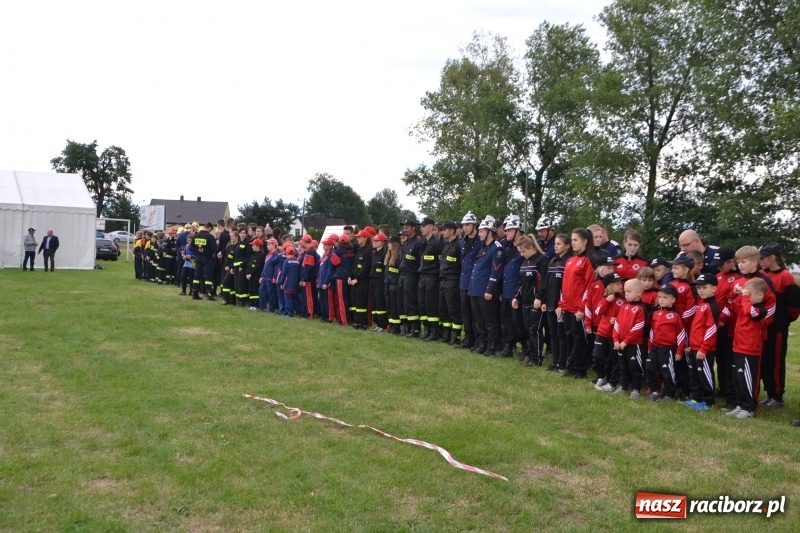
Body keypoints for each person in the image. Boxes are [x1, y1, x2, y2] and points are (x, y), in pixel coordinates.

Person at [758, 242, 800, 408]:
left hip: (778, 328)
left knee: (775, 361)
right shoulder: (762, 274)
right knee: (764, 361)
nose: (760, 262)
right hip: (763, 327)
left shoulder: (785, 277)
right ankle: (769, 393)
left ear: (772, 258)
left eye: (762, 258)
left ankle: (777, 396)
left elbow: (795, 305)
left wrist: (783, 321)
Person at [728, 277, 773, 419]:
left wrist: (745, 297)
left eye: (749, 295)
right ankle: (740, 404)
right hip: (738, 347)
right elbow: (728, 305)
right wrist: (734, 294)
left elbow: (750, 312)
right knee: (738, 378)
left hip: (750, 349)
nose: (745, 297)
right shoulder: (745, 304)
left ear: (760, 296)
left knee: (747, 379)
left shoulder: (760, 310)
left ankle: (748, 408)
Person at [683, 273, 728, 410]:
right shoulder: (701, 304)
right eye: (699, 288)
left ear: (714, 288)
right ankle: (696, 398)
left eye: (704, 287)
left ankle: (709, 401)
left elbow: (711, 329)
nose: (701, 290)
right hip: (695, 347)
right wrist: (692, 345)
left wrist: (703, 348)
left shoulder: (712, 306)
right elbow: (697, 327)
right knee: (695, 374)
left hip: (705, 349)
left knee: (705, 374)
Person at [558, 228, 596, 379]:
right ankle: (571, 366)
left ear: (585, 241)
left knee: (579, 338)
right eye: (572, 240)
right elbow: (565, 284)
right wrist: (561, 303)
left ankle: (580, 369)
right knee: (570, 337)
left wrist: (582, 307)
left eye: (575, 240)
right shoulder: (570, 260)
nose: (572, 243)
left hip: (579, 308)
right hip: (567, 306)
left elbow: (589, 286)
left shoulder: (588, 261)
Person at [468, 216, 505, 356]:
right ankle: (482, 343)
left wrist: (490, 288)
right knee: (479, 320)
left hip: (486, 291)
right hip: (476, 289)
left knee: (490, 320)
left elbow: (496, 270)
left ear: (490, 232)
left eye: (482, 231)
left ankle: (491, 345)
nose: (479, 234)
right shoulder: (484, 247)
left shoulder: (497, 248)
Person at [512, 235, 549, 366]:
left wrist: (539, 297)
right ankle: (528, 354)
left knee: (535, 329)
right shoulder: (525, 262)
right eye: (520, 252)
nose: (522, 254)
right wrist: (517, 296)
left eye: (523, 251)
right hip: (525, 301)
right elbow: (521, 282)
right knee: (526, 329)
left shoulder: (542, 260)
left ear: (531, 247)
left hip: (536, 301)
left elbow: (544, 281)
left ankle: (536, 358)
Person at [646, 284, 686, 402]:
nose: (661, 300)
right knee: (649, 368)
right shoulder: (656, 313)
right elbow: (652, 330)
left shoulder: (676, 315)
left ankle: (670, 393)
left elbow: (681, 334)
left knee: (667, 371)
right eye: (660, 297)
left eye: (665, 297)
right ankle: (654, 390)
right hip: (655, 347)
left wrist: (679, 350)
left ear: (673, 300)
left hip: (668, 348)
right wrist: (650, 346)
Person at [540, 234, 572, 372]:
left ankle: (562, 362)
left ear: (567, 246)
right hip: (550, 303)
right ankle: (555, 361)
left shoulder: (568, 262)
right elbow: (546, 283)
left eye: (559, 244)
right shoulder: (552, 261)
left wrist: (561, 304)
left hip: (561, 305)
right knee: (552, 334)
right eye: (555, 244)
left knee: (561, 335)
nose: (556, 246)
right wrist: (544, 300)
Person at [613, 279, 647, 398]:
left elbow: (638, 327)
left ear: (638, 293)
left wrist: (626, 341)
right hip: (620, 344)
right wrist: (616, 340)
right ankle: (623, 386)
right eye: (625, 291)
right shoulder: (623, 307)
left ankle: (636, 389)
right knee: (623, 366)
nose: (625, 293)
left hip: (634, 344)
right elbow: (617, 324)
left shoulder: (640, 309)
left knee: (635, 367)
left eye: (629, 291)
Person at [592, 272, 625, 391]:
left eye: (620, 283)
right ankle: (601, 376)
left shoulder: (623, 300)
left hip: (614, 335)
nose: (620, 285)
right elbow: (598, 312)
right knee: (597, 356)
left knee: (613, 359)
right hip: (602, 332)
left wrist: (617, 320)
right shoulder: (604, 299)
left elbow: (625, 315)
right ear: (609, 287)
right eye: (616, 284)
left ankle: (612, 382)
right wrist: (607, 301)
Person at [499, 215, 525, 357]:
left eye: (509, 230)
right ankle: (508, 346)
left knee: (519, 322)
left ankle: (525, 348)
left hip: (518, 291)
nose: (506, 233)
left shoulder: (525, 248)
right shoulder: (505, 247)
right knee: (506, 320)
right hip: (506, 290)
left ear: (517, 231)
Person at [417, 217, 443, 341]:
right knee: (422, 304)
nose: (421, 228)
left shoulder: (437, 244)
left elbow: (440, 263)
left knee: (431, 304)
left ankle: (434, 331)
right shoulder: (423, 243)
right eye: (421, 226)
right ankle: (426, 329)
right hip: (422, 276)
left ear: (431, 227)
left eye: (423, 225)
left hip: (432, 277)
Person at [458, 212, 480, 349]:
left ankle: (478, 339)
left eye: (468, 225)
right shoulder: (462, 242)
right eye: (464, 225)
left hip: (476, 282)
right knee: (465, 311)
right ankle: (468, 337)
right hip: (464, 280)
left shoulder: (480, 242)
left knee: (475, 313)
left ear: (474, 226)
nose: (465, 228)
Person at [438, 221, 462, 345]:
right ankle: (446, 334)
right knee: (443, 309)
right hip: (443, 279)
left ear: (452, 231)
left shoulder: (458, 245)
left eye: (445, 230)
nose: (443, 232)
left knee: (453, 309)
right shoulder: (446, 245)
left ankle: (456, 335)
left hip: (452, 280)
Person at [399, 219, 422, 337]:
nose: (405, 230)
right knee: (403, 303)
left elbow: (419, 262)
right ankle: (406, 326)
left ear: (413, 228)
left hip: (412, 276)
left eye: (407, 227)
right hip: (403, 275)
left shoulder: (418, 243)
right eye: (404, 227)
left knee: (411, 302)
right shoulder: (406, 243)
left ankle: (415, 328)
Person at [369, 233, 388, 332]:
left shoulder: (384, 254)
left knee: (380, 302)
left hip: (380, 280)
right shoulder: (374, 253)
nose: (374, 242)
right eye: (374, 241)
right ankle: (377, 323)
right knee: (375, 302)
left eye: (376, 241)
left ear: (382, 242)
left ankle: (383, 324)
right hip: (373, 279)